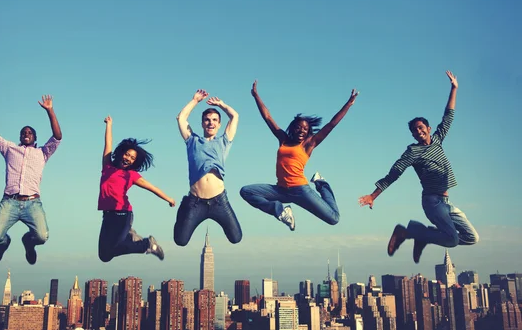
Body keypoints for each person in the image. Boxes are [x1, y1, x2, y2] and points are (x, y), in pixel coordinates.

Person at [358, 71, 479, 263]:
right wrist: (373, 195)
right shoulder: (412, 152)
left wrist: (454, 88)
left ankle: (422, 236)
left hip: (447, 203)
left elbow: (448, 116)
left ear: (428, 129)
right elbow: (394, 173)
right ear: (413, 135)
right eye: (415, 130)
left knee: (472, 238)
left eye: (421, 128)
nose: (418, 131)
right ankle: (410, 232)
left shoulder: (438, 139)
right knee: (453, 240)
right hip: (433, 202)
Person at [0, 87, 62, 265]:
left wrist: (50, 110)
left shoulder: (43, 153)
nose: (26, 134)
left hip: (32, 203)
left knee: (42, 236)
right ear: (20, 136)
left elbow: (57, 136)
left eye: (30, 132)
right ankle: (3, 245)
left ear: (35, 138)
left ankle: (28, 243)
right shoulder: (9, 148)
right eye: (24, 132)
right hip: (10, 201)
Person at [240, 80, 358, 230]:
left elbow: (331, 124)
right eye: (299, 128)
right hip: (281, 190)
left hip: (301, 190)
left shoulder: (309, 144)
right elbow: (268, 117)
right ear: (293, 128)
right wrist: (256, 95)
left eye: (305, 129)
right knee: (246, 191)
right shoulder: (283, 139)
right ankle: (281, 211)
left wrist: (348, 104)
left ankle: (322, 184)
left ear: (308, 132)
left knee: (334, 218)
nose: (302, 130)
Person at [98, 116, 175, 262]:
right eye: (127, 154)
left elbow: (151, 187)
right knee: (104, 256)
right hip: (107, 215)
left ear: (134, 162)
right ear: (121, 153)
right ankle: (131, 236)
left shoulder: (131, 175)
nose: (128, 158)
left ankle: (147, 244)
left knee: (116, 246)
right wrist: (109, 125)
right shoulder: (107, 166)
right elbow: (108, 143)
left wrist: (168, 199)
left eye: (132, 158)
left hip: (123, 214)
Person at [174, 89, 242, 246]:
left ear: (219, 124)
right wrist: (195, 100)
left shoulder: (224, 142)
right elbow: (181, 118)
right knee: (181, 240)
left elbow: (235, 116)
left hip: (219, 201)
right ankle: (184, 208)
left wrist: (222, 104)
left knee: (236, 238)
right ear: (202, 123)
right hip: (195, 202)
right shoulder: (193, 141)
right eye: (207, 120)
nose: (210, 122)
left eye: (214, 120)